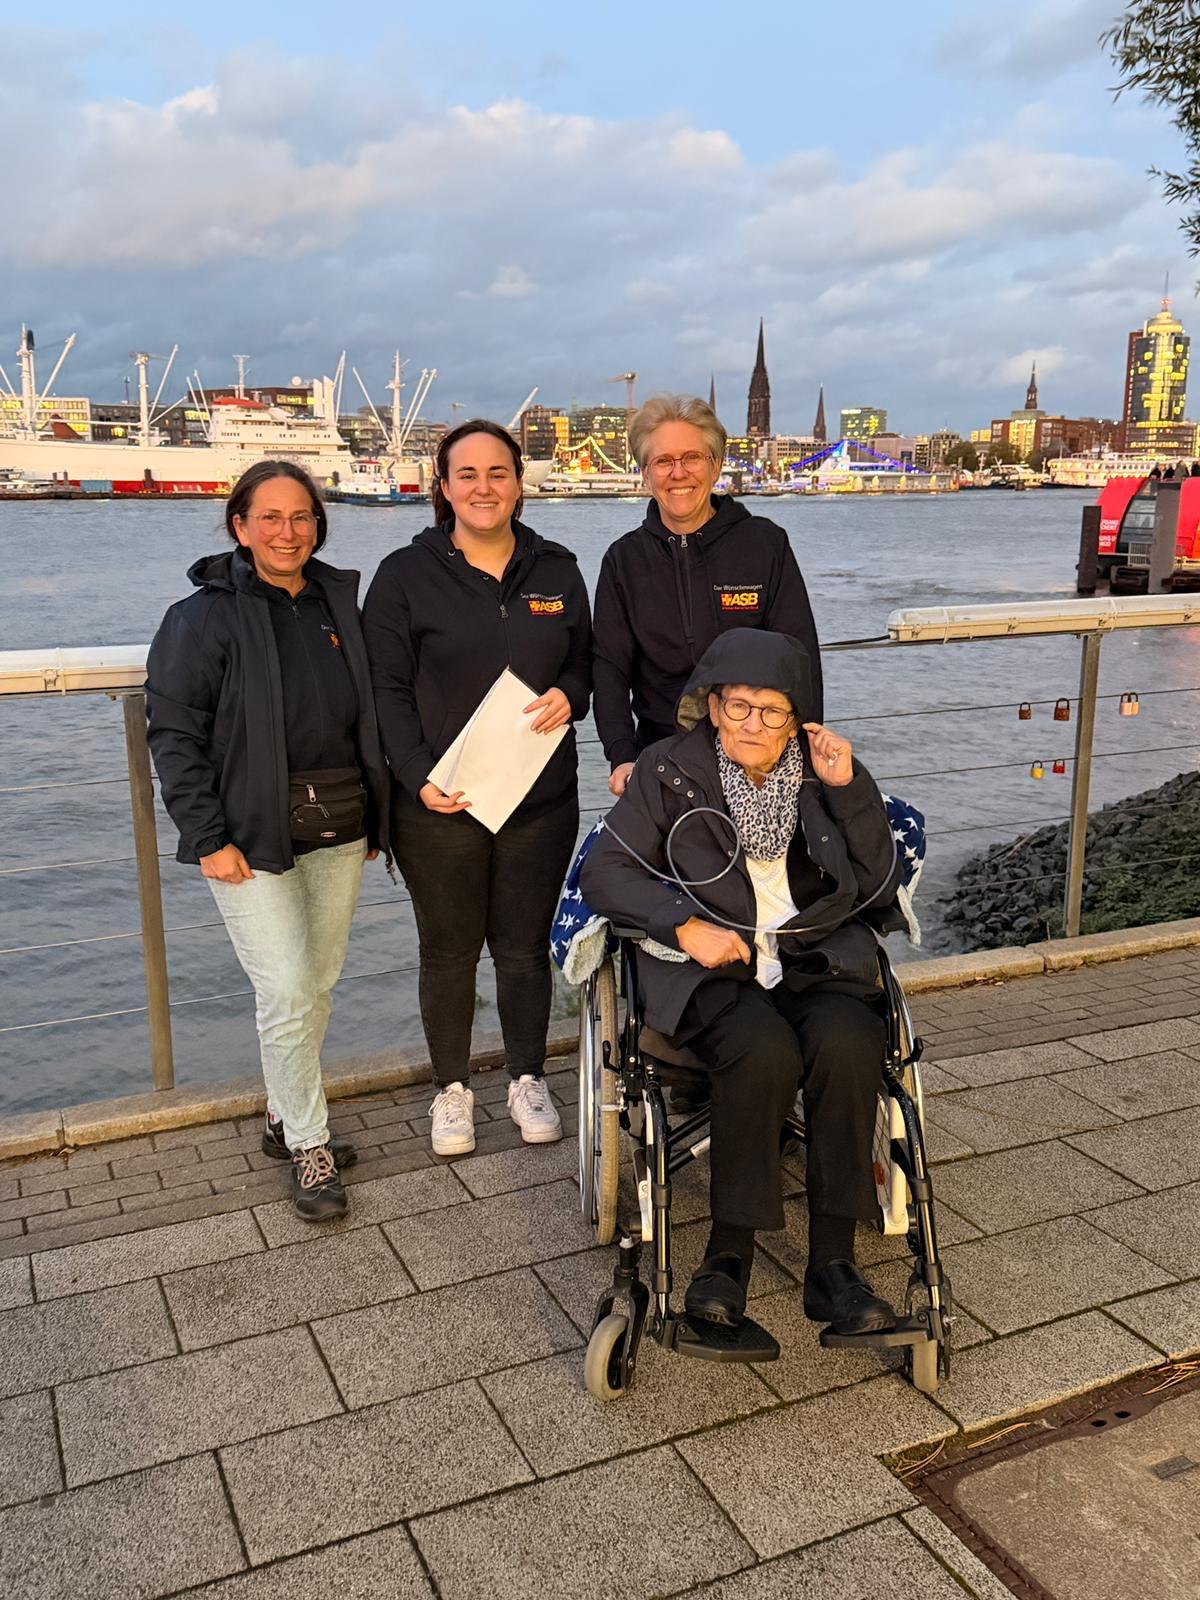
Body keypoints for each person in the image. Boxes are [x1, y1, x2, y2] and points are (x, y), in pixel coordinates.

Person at [582, 628, 904, 1335]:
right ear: (712, 705)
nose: (753, 724)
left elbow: (880, 882)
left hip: (813, 959)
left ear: (796, 720)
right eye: (738, 706)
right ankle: (726, 1259)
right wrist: (681, 926)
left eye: (772, 710)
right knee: (763, 1051)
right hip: (715, 969)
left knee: (850, 1044)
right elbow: (602, 872)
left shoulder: (823, 773)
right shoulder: (667, 770)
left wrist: (849, 790)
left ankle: (833, 1267)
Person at [146, 460, 390, 1222]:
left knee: (316, 981)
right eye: (271, 517)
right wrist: (206, 836)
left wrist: (378, 816)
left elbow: (368, 714)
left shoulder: (337, 602)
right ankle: (310, 1147)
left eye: (302, 516)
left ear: (319, 523)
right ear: (240, 526)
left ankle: (285, 1114)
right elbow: (174, 733)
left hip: (340, 822)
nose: (289, 532)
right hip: (247, 835)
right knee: (285, 988)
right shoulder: (201, 618)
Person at [362, 420, 591, 1158]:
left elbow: (585, 662)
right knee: (449, 951)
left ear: (519, 484)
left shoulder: (558, 570)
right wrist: (417, 774)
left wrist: (571, 694)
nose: (484, 487)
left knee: (523, 949)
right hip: (440, 803)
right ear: (444, 486)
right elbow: (385, 689)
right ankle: (452, 1089)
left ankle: (527, 1078)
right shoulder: (403, 575)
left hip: (539, 800)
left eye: (498, 473)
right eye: (467, 474)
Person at [592, 393, 823, 798]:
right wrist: (621, 755)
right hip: (663, 763)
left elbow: (799, 657)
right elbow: (609, 669)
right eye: (663, 461)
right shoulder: (623, 560)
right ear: (645, 474)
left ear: (715, 465)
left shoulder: (765, 545)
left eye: (692, 458)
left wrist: (803, 753)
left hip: (759, 762)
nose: (678, 472)